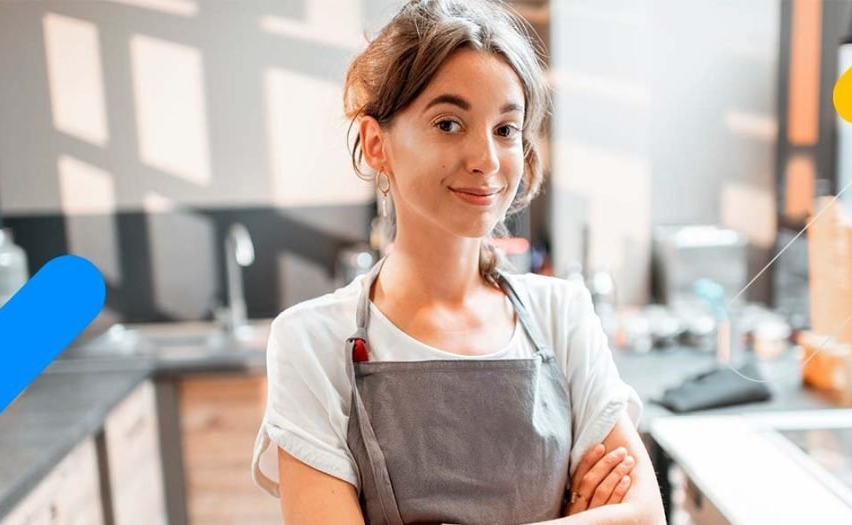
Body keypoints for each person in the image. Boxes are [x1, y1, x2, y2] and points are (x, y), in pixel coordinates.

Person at [250, 1, 666, 523]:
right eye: (449, 124)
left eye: (506, 129)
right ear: (376, 144)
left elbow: (645, 515)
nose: (487, 160)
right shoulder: (311, 342)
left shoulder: (563, 315)